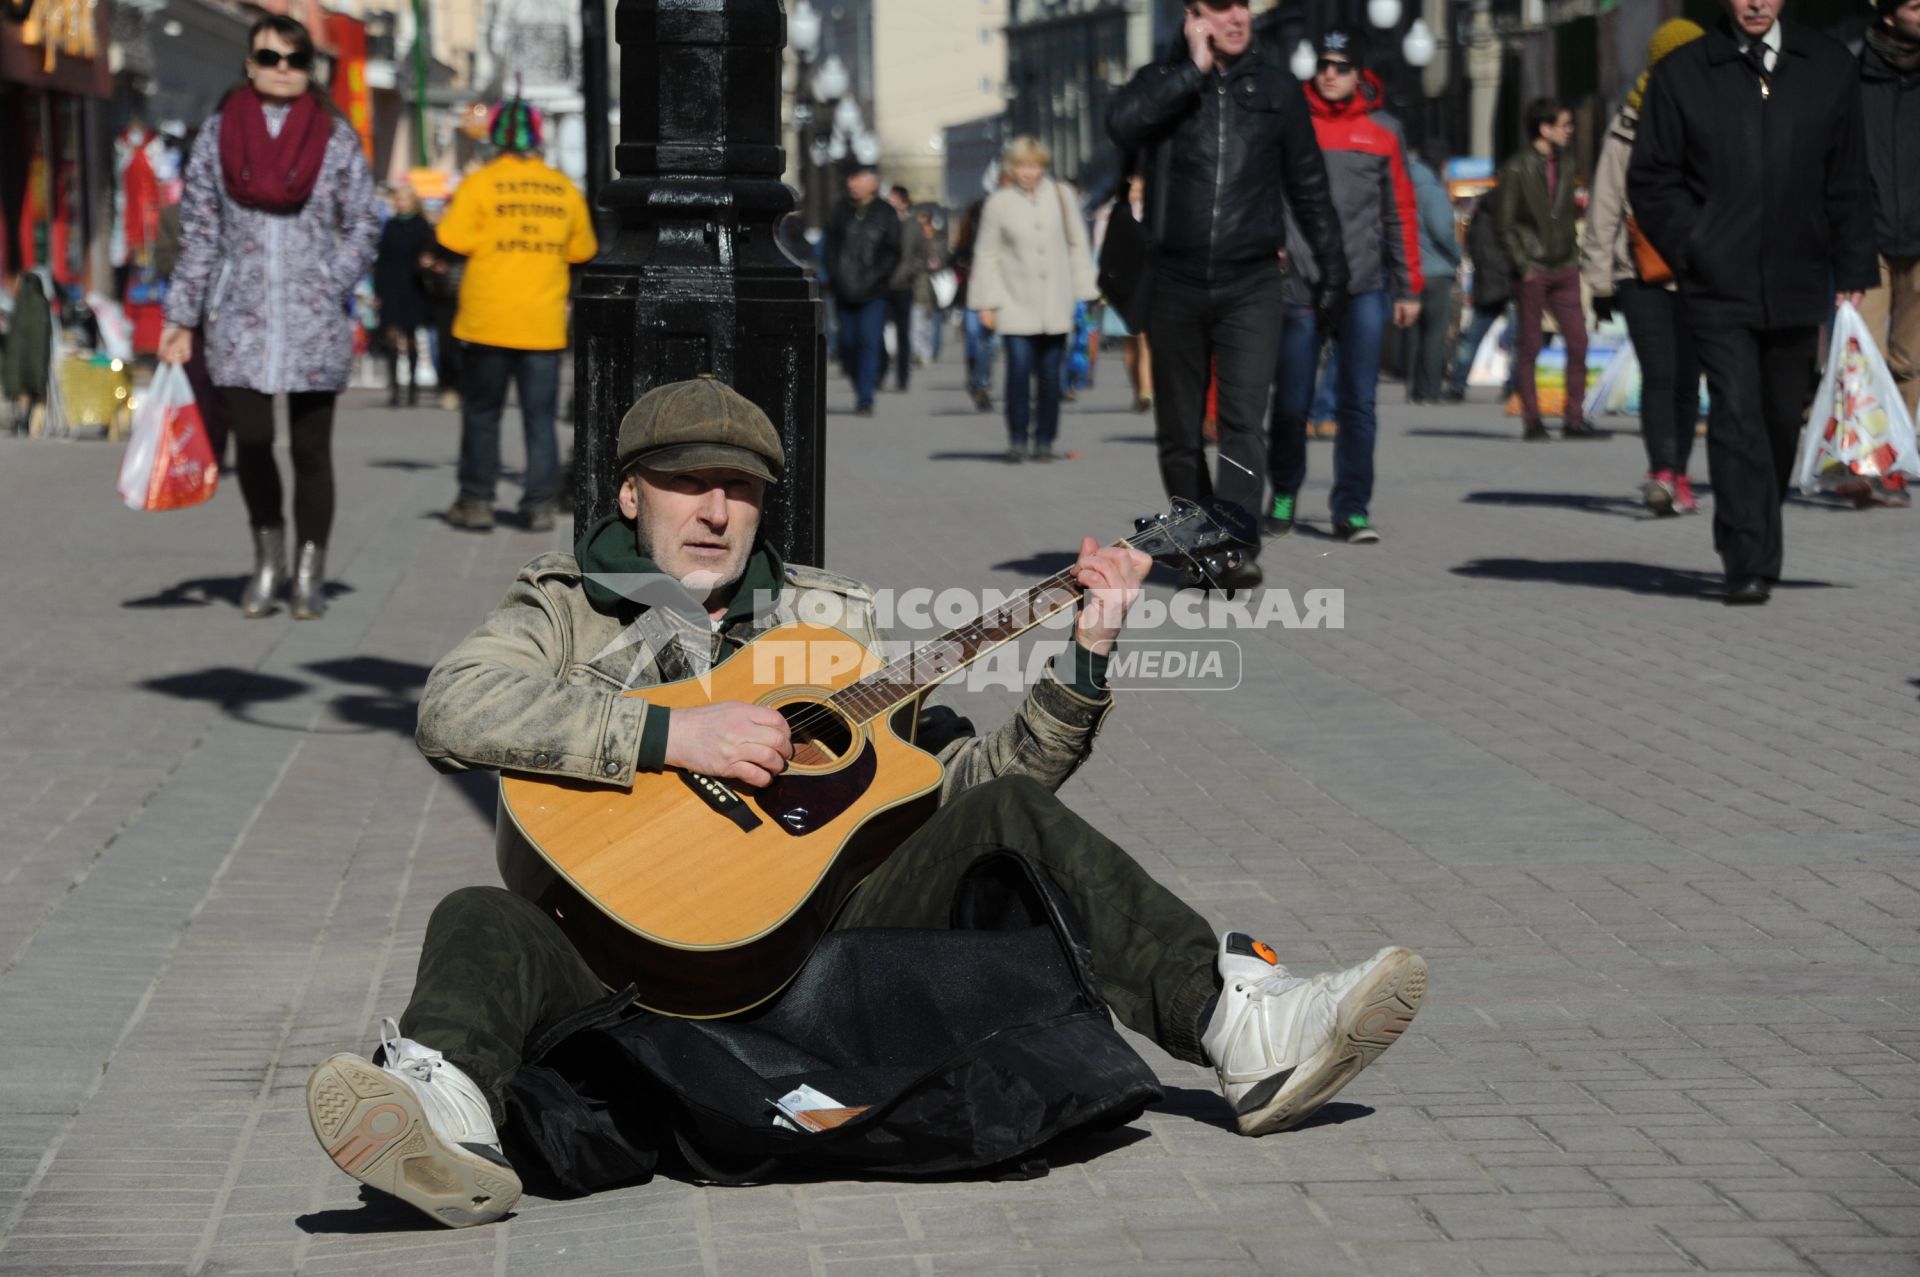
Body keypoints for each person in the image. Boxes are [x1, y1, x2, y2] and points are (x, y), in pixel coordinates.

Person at [301, 374, 1429, 1228]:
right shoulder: (565, 607)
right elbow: (454, 704)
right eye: (690, 484)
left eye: (739, 489)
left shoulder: (826, 622)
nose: (714, 511)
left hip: (810, 931)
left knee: (1012, 822)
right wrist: (671, 730)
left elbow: (958, 791)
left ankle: (1242, 1023)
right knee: (477, 916)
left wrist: (1083, 659)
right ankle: (442, 1125)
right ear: (630, 493)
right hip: (615, 952)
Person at [1630, 0, 1878, 604]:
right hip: (1716, 282)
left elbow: (1847, 175)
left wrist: (1851, 263)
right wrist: (1696, 243)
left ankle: (1755, 536)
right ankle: (1746, 557)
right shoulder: (1684, 74)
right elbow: (1652, 177)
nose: (1756, 2)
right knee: (1736, 414)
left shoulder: (1825, 67)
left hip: (1798, 279)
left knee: (1776, 417)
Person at [1108, 0, 1347, 591]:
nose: (1237, 17)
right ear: (1193, 17)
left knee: (1243, 420)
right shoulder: (1161, 81)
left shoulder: (1277, 88)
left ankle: (1234, 547)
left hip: (1251, 280)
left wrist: (1332, 266)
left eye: (1242, 5)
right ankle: (1198, 543)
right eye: (1220, 8)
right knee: (1179, 428)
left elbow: (1309, 183)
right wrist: (1191, 70)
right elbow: (1122, 125)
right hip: (1174, 280)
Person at [157, 14, 380, 620]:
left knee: (311, 449)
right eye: (270, 57)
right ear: (249, 63)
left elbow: (363, 220)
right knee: (251, 440)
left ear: (311, 67)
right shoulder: (216, 136)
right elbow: (199, 233)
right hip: (239, 316)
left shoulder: (334, 138)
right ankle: (267, 557)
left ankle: (309, 570)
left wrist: (330, 280)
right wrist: (180, 315)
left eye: (296, 59)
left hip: (314, 321)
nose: (283, 70)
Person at [1266, 30, 1422, 545]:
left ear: (1360, 74)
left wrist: (1409, 287)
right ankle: (1285, 489)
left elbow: (1400, 211)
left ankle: (1351, 508)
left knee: (1359, 404)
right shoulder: (1291, 123)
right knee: (1291, 402)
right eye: (1323, 65)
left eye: (1341, 65)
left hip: (1363, 286)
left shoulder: (1383, 132)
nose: (1330, 74)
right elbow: (1265, 193)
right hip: (1301, 285)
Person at [435, 100, 597, 534]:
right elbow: (582, 252)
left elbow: (449, 242)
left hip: (486, 319)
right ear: (538, 139)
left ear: (496, 137)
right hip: (542, 323)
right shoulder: (562, 188)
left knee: (483, 414)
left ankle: (476, 501)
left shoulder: (482, 184)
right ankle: (539, 505)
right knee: (538, 419)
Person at [1582, 20, 1707, 516]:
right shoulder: (1627, 126)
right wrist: (1600, 280)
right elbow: (1604, 206)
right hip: (1639, 270)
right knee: (1659, 372)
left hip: (1699, 271)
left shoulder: (1714, 118)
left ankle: (1679, 474)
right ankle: (1660, 472)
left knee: (1687, 379)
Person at [969, 137, 1101, 463]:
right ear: (1012, 168)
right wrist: (986, 303)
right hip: (1014, 303)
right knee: (1018, 370)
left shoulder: (1062, 195)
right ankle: (1016, 437)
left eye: (1035, 166)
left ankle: (1044, 438)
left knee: (1050, 375)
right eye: (1023, 166)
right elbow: (986, 254)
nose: (1029, 172)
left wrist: (1086, 292)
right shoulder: (998, 203)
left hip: (1056, 301)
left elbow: (1077, 245)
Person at [1498, 98, 1591, 442]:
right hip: (1534, 267)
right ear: (1545, 128)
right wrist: (1524, 266)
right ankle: (1532, 420)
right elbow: (1504, 224)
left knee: (1579, 341)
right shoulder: (1517, 168)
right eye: (1565, 125)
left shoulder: (1566, 165)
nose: (1570, 131)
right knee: (1530, 345)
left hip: (1565, 264)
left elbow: (1566, 212)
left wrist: (1574, 253)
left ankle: (1574, 419)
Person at [1857, 0, 1920, 507]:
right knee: (1864, 355)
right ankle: (1862, 459)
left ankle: (1892, 459)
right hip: (1867, 235)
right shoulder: (1853, 70)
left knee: (1911, 361)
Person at [824, 168, 902, 417]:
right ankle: (859, 383)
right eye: (851, 178)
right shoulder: (841, 210)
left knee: (868, 342)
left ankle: (865, 397)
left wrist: (878, 277)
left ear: (873, 184)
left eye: (858, 179)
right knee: (847, 343)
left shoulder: (885, 212)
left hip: (874, 291)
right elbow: (830, 248)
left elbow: (892, 251)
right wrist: (835, 276)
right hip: (843, 289)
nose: (852, 184)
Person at [1444, 187, 1515, 402]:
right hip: (1511, 282)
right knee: (1518, 337)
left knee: (1472, 338)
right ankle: (1514, 386)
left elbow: (1475, 250)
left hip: (1487, 285)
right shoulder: (1514, 218)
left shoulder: (1479, 219)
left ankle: (1457, 382)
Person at [1093, 170, 1154, 414]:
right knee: (1129, 343)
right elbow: (1100, 252)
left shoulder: (1154, 212)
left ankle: (1146, 390)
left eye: (1140, 190)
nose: (1136, 195)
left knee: (1144, 340)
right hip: (1119, 284)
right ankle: (1137, 387)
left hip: (1144, 284)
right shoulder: (1108, 215)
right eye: (1133, 190)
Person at [1404, 143, 1460, 406]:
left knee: (1413, 332)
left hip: (1409, 267)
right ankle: (1430, 390)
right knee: (1435, 332)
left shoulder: (1406, 185)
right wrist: (1457, 254)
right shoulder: (1433, 191)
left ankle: (1414, 388)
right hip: (1436, 270)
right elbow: (1442, 231)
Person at [373, 183, 434, 408]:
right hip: (392, 287)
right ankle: (394, 389)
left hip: (414, 287)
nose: (400, 203)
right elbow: (381, 260)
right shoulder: (390, 226)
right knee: (391, 337)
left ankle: (413, 390)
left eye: (404, 200)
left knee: (410, 338)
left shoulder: (422, 226)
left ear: (413, 202)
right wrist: (378, 291)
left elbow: (429, 254)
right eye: (398, 200)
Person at [880, 185, 924, 393]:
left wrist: (909, 272)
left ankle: (903, 377)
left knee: (903, 333)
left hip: (904, 285)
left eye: (892, 200)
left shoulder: (914, 226)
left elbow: (921, 256)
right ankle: (879, 372)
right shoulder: (881, 224)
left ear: (903, 202)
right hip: (881, 285)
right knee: (878, 331)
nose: (888, 203)